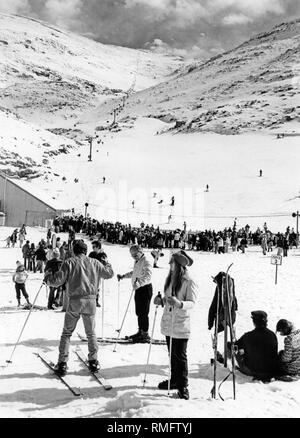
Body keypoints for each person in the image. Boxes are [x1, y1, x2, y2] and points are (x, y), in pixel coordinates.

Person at [44, 240, 114, 375]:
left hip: (75, 301)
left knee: (67, 333)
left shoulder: (69, 262)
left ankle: (62, 363)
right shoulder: (94, 262)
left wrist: (47, 277)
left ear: (74, 251)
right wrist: (107, 263)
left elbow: (57, 281)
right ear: (86, 251)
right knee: (91, 333)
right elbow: (109, 274)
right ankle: (93, 361)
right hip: (91, 301)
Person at [156, 251, 197, 400]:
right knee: (172, 354)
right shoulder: (170, 279)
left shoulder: (189, 281)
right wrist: (161, 301)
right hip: (169, 322)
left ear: (178, 264)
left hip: (180, 324)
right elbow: (168, 298)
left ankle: (183, 385)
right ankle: (174, 380)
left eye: (172, 262)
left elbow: (191, 302)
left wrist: (179, 303)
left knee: (180, 356)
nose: (169, 265)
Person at [117, 245, 153, 343]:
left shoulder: (146, 261)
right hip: (138, 288)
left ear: (140, 251)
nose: (134, 256)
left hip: (145, 289)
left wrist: (139, 283)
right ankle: (140, 331)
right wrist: (124, 276)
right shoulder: (138, 261)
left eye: (135, 254)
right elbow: (135, 272)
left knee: (144, 312)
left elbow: (148, 276)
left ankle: (145, 334)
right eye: (132, 255)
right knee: (139, 312)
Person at [232, 311, 280, 381]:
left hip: (254, 371)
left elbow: (235, 346)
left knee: (237, 352)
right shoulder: (272, 335)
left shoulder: (248, 336)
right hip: (271, 371)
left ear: (254, 322)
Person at [88, 240, 108, 307]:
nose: (93, 248)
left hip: (98, 273)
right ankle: (90, 300)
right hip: (90, 272)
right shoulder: (91, 254)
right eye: (92, 246)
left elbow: (105, 264)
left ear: (98, 247)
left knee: (97, 287)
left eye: (94, 247)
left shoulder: (103, 255)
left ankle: (96, 300)